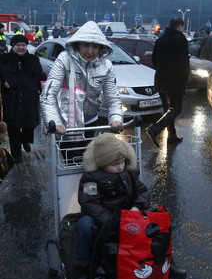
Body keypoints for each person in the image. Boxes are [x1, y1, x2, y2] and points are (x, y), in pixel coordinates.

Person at [76, 133, 187, 279]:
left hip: (129, 212)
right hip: (106, 217)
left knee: (157, 225)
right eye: (115, 164)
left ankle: (165, 262)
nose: (120, 166)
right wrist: (112, 221)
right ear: (103, 164)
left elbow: (141, 191)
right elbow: (89, 202)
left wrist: (137, 206)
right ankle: (84, 266)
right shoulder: (91, 178)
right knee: (85, 225)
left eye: (122, 162)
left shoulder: (128, 171)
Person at [40, 21, 123, 135]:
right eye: (86, 45)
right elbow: (49, 94)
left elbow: (112, 97)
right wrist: (55, 121)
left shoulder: (106, 65)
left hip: (90, 120)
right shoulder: (65, 59)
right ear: (78, 44)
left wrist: (116, 117)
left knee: (87, 152)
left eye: (95, 46)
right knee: (69, 152)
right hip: (65, 121)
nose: (90, 51)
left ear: (101, 48)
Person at [0, 34, 46, 162]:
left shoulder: (33, 59)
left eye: (23, 45)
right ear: (13, 46)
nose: (21, 48)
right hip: (11, 98)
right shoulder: (3, 59)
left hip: (29, 97)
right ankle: (16, 154)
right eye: (18, 45)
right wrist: (4, 82)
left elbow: (41, 75)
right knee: (13, 127)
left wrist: (41, 87)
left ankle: (25, 140)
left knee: (29, 124)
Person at [146, 17, 189, 147]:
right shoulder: (181, 39)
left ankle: (172, 136)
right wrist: (185, 77)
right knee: (175, 109)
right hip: (175, 80)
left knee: (168, 109)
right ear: (180, 26)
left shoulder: (160, 40)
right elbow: (183, 62)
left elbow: (154, 60)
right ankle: (154, 129)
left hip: (160, 79)